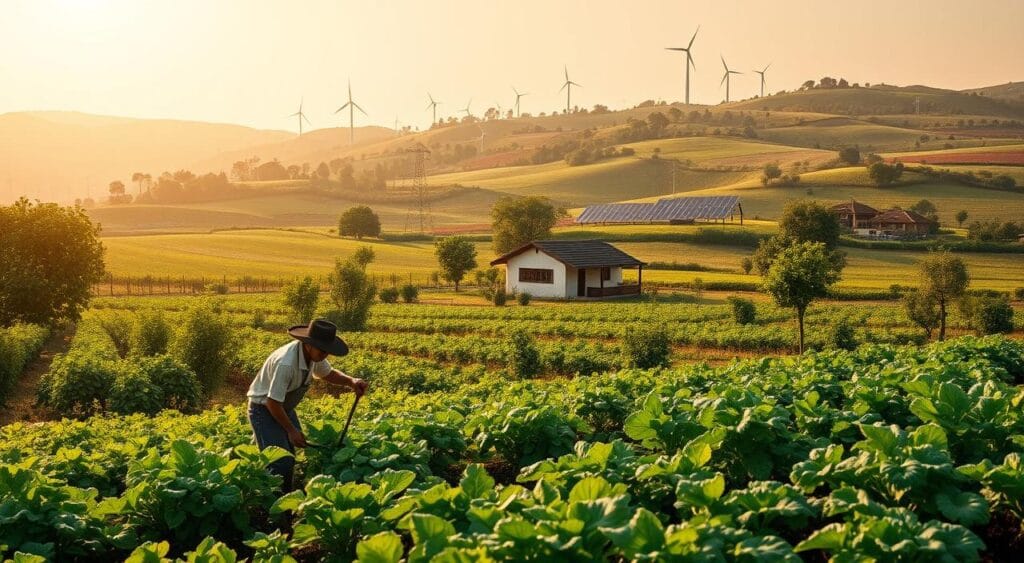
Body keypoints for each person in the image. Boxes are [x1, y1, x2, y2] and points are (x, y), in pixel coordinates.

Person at [246, 318, 367, 491]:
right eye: (322, 350)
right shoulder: (286, 363)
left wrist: (351, 382)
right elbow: (272, 402)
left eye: (327, 350)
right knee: (280, 461)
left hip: (283, 407)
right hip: (263, 409)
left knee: (287, 454)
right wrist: (291, 430)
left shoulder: (313, 356)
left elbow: (328, 373)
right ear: (308, 344)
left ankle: (280, 489)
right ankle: (273, 507)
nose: (325, 354)